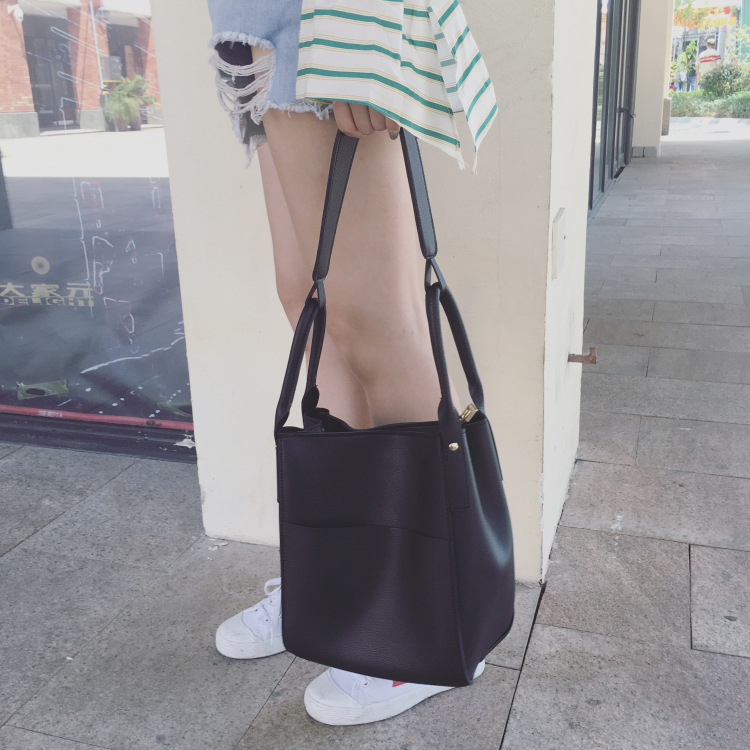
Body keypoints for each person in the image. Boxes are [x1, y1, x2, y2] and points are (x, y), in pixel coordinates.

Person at [206, 0, 497, 726]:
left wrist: (366, 36)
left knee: (381, 325)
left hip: (323, 29)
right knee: (313, 305)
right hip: (256, 37)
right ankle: (342, 584)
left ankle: (432, 624)